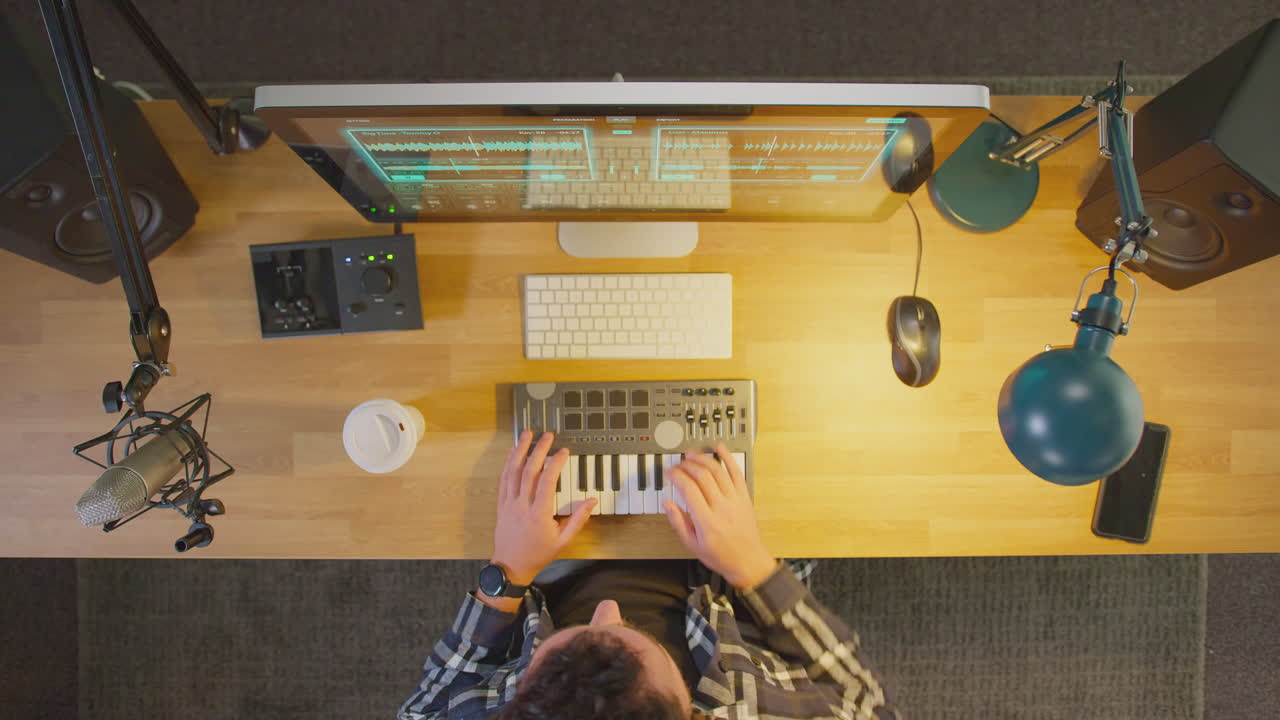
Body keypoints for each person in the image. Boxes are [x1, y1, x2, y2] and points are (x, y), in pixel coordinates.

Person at [398, 430, 895, 719]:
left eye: (583, 633)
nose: (608, 609)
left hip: (552, 578)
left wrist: (508, 572)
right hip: (730, 593)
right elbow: (867, 702)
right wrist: (755, 570)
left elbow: (424, 708)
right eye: (624, 631)